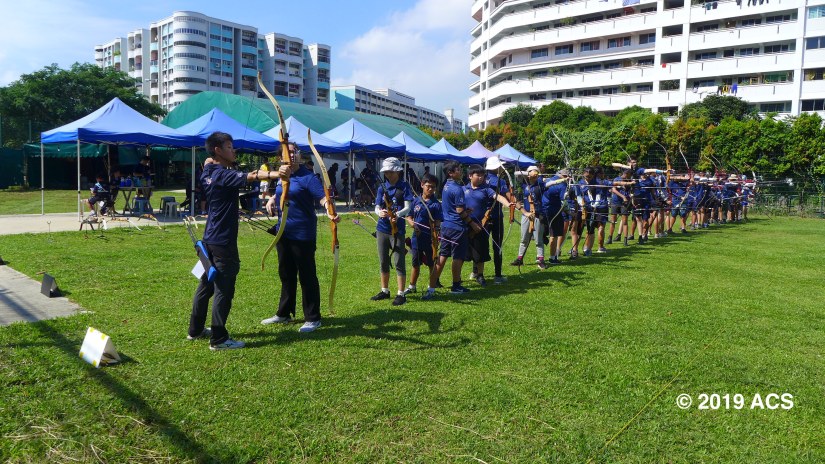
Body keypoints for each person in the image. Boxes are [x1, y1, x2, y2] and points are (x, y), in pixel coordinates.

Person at [189, 131, 290, 350]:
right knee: (224, 288)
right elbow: (251, 176)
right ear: (217, 150)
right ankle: (219, 339)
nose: (233, 151)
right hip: (223, 241)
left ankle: (195, 330)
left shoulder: (208, 171)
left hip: (209, 239)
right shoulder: (223, 175)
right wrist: (277, 173)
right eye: (229, 147)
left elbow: (208, 163)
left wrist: (211, 160)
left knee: (206, 284)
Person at [260, 144, 340, 332]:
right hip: (283, 232)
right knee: (286, 273)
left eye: (294, 151)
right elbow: (283, 191)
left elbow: (323, 198)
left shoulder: (308, 177)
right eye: (287, 151)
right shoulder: (282, 175)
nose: (292, 154)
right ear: (280, 157)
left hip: (302, 233)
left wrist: (330, 210)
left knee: (306, 275)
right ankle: (284, 313)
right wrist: (272, 199)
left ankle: (313, 317)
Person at [424, 161, 479, 299]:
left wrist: (464, 210)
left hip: (446, 226)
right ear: (450, 173)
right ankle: (456, 285)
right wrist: (472, 223)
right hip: (457, 227)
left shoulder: (445, 185)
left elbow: (454, 207)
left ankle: (432, 285)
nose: (461, 171)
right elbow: (459, 210)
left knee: (443, 255)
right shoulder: (458, 188)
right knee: (458, 257)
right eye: (458, 169)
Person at [370, 157, 414, 306]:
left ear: (397, 171)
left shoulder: (404, 186)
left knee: (398, 261)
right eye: (386, 172)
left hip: (397, 229)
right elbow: (377, 206)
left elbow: (408, 207)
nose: (387, 174)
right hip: (382, 228)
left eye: (390, 171)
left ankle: (401, 293)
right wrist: (380, 212)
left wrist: (398, 214)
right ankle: (385, 290)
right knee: (383, 260)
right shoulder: (382, 187)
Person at [464, 164, 511, 286]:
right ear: (470, 176)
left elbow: (498, 196)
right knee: (471, 249)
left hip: (483, 223)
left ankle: (480, 274)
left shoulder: (486, 188)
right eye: (478, 175)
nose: (481, 177)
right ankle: (473, 274)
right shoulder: (464, 189)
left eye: (482, 175)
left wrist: (507, 204)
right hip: (470, 224)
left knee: (482, 248)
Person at [404, 174, 443, 295]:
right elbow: (409, 216)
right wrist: (413, 225)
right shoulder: (416, 201)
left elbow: (437, 222)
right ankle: (412, 286)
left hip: (430, 239)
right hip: (416, 238)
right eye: (428, 186)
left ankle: (431, 289)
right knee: (415, 263)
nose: (430, 189)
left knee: (432, 264)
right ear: (422, 185)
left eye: (433, 187)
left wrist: (436, 232)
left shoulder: (436, 204)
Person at [483, 156, 511, 283]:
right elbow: (509, 197)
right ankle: (498, 276)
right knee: (497, 246)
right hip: (496, 217)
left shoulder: (482, 179)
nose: (501, 168)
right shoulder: (501, 181)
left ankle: (476, 272)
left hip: (483, 217)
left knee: (481, 244)